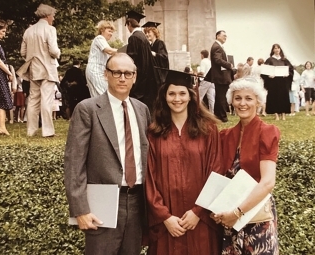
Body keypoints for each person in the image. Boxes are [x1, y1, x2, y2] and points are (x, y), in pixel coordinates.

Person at [64, 53, 151, 255]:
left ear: (134, 77)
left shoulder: (142, 109)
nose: (122, 78)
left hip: (137, 201)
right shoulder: (88, 109)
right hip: (103, 202)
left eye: (127, 73)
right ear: (106, 74)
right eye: (116, 72)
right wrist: (80, 210)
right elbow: (74, 162)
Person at [146, 69, 223, 255]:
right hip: (167, 224)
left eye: (182, 93)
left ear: (191, 96)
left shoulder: (208, 130)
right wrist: (165, 217)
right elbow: (150, 177)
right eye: (171, 93)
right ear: (164, 96)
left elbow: (216, 171)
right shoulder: (154, 133)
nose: (177, 99)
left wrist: (198, 212)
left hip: (200, 221)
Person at [212, 77, 280, 254]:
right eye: (238, 98)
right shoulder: (225, 136)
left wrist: (237, 212)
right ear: (231, 101)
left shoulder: (266, 133)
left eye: (248, 98)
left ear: (258, 101)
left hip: (256, 218)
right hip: (230, 218)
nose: (242, 103)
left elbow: (267, 182)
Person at [17, 3, 61, 137]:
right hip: (48, 69)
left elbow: (22, 52)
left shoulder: (28, 31)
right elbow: (53, 51)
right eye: (53, 15)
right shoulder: (50, 29)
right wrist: (59, 53)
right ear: (48, 16)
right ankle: (47, 131)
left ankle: (31, 130)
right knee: (46, 99)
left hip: (33, 69)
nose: (53, 18)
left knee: (33, 100)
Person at [125, 10, 160, 112]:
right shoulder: (143, 38)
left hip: (138, 80)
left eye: (127, 25)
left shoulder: (134, 38)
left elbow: (131, 60)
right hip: (146, 79)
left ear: (129, 24)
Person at [204, 30, 233, 122]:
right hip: (221, 76)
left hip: (220, 76)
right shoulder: (217, 47)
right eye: (224, 35)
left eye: (226, 36)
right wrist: (229, 65)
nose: (225, 37)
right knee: (222, 97)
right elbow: (217, 60)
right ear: (217, 36)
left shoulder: (217, 46)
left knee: (220, 97)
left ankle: (218, 116)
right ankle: (222, 117)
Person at [261, 43, 293, 121]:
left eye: (278, 48)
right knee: (274, 98)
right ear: (273, 50)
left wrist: (288, 74)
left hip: (283, 82)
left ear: (280, 49)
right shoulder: (270, 59)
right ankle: (276, 115)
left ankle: (283, 114)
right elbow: (263, 72)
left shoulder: (284, 59)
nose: (277, 49)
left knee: (283, 98)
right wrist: (268, 75)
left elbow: (291, 69)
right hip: (273, 82)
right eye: (275, 48)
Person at [85, 20, 117, 97]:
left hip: (98, 70)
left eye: (112, 32)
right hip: (96, 70)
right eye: (109, 31)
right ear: (102, 30)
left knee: (97, 96)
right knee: (104, 95)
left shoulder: (103, 41)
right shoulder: (99, 38)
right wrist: (120, 51)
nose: (111, 34)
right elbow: (109, 51)